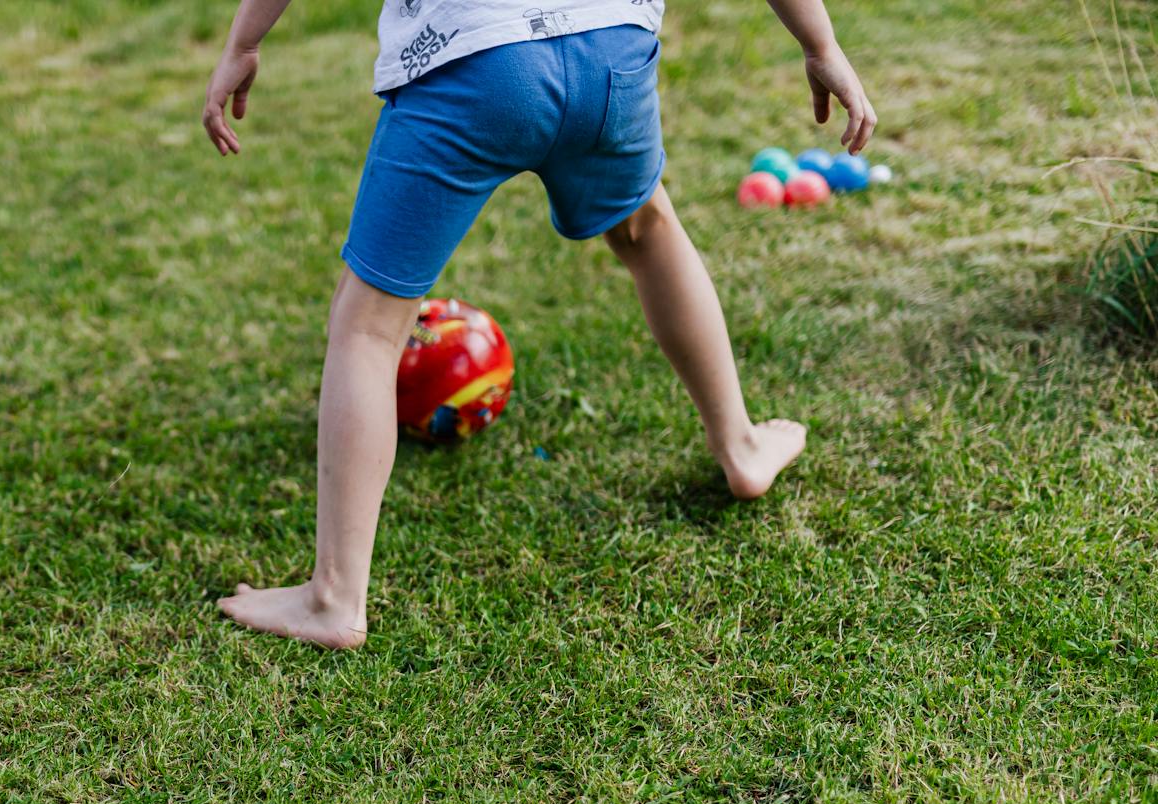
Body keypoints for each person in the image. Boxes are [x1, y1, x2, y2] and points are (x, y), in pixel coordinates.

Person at [202, 0, 877, 648]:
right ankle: (740, 445)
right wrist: (820, 44)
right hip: (609, 50)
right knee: (648, 231)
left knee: (369, 328)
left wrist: (243, 43)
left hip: (471, 61)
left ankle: (334, 597)